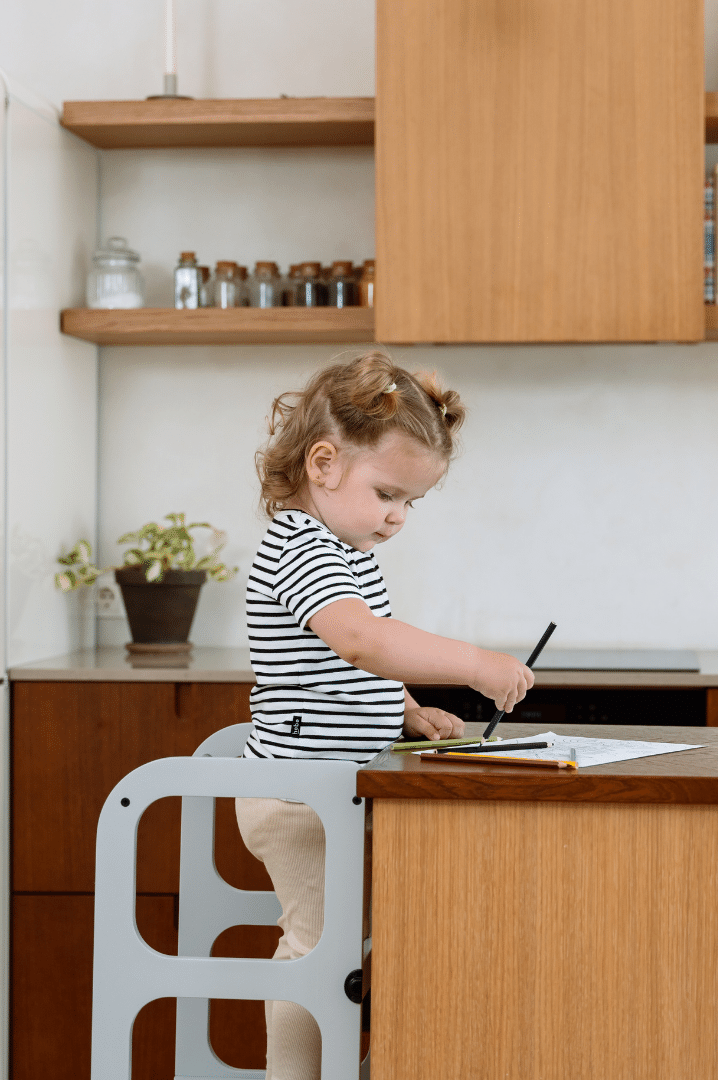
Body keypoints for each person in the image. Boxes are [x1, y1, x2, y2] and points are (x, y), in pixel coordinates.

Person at [235, 351, 533, 1080]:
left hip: (336, 788)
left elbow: (343, 668)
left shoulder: (345, 551)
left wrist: (406, 711)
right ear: (325, 463)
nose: (398, 518)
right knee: (319, 946)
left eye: (412, 503)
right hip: (299, 796)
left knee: (350, 943)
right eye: (389, 494)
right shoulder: (299, 549)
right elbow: (362, 641)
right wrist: (471, 664)